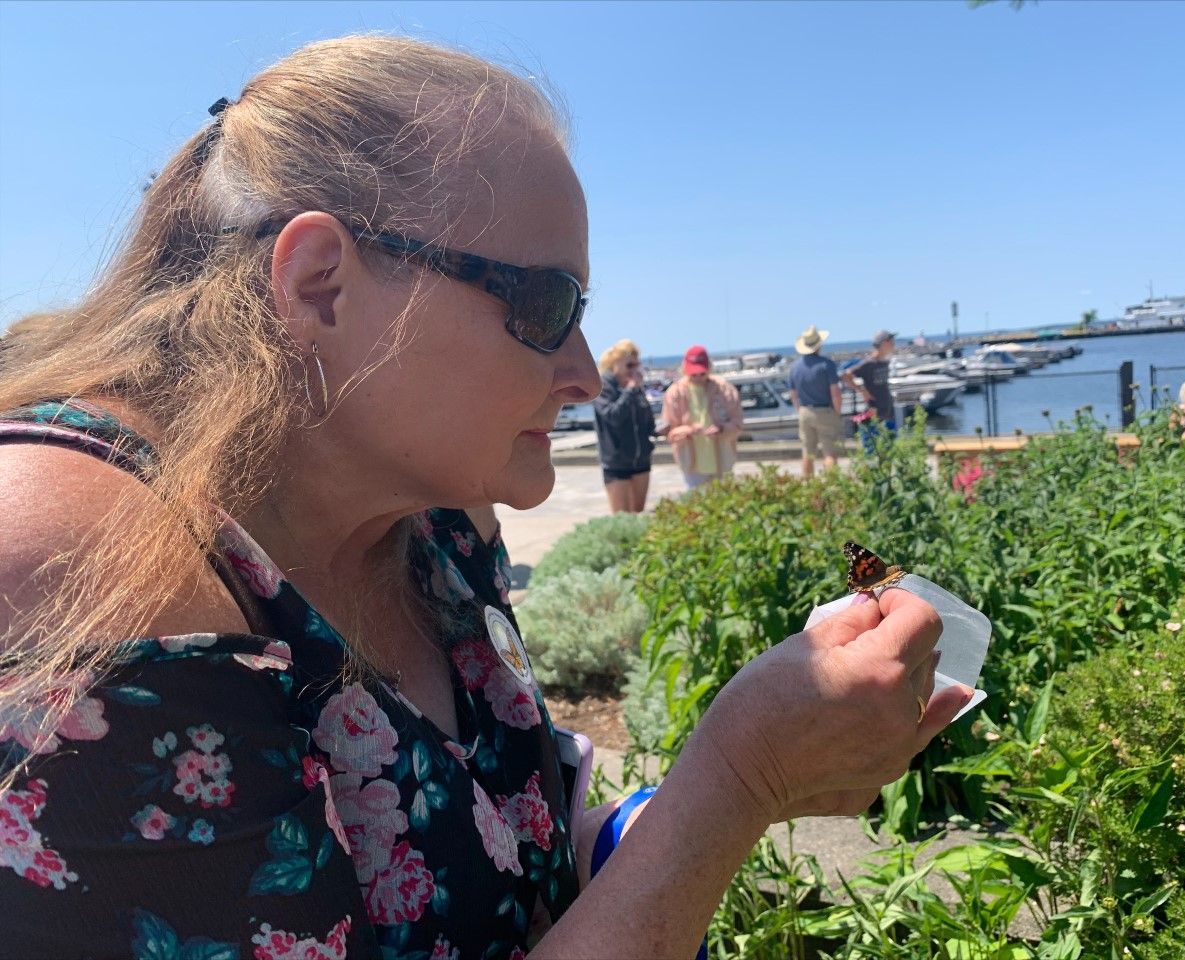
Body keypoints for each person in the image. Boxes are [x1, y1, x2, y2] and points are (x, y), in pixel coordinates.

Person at [0, 36, 972, 958]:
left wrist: (678, 807)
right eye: (547, 306)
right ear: (320, 284)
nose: (584, 373)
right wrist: (732, 785)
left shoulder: (436, 517)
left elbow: (482, 880)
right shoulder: (81, 567)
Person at [660, 345, 745, 489]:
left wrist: (722, 428)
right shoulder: (675, 392)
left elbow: (738, 423)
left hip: (722, 461)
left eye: (702, 373)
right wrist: (689, 430)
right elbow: (669, 431)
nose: (698, 377)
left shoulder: (724, 388)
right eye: (694, 374)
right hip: (692, 464)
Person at [592, 339, 655, 513]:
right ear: (615, 363)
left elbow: (648, 422)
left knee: (638, 513)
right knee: (623, 519)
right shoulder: (603, 386)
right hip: (616, 462)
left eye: (637, 365)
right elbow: (613, 416)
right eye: (629, 365)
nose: (634, 370)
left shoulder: (635, 388)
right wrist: (630, 391)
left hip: (641, 459)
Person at [787, 325, 843, 478]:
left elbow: (793, 394)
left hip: (805, 411)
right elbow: (835, 392)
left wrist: (800, 410)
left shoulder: (794, 367)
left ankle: (808, 486)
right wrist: (837, 411)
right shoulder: (826, 364)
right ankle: (833, 485)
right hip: (824, 410)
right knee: (829, 452)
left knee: (807, 452)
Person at [843, 330, 898, 452]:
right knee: (873, 453)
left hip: (888, 412)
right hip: (874, 413)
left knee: (891, 452)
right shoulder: (868, 363)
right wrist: (861, 390)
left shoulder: (885, 362)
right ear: (883, 343)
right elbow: (846, 376)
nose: (894, 344)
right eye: (891, 341)